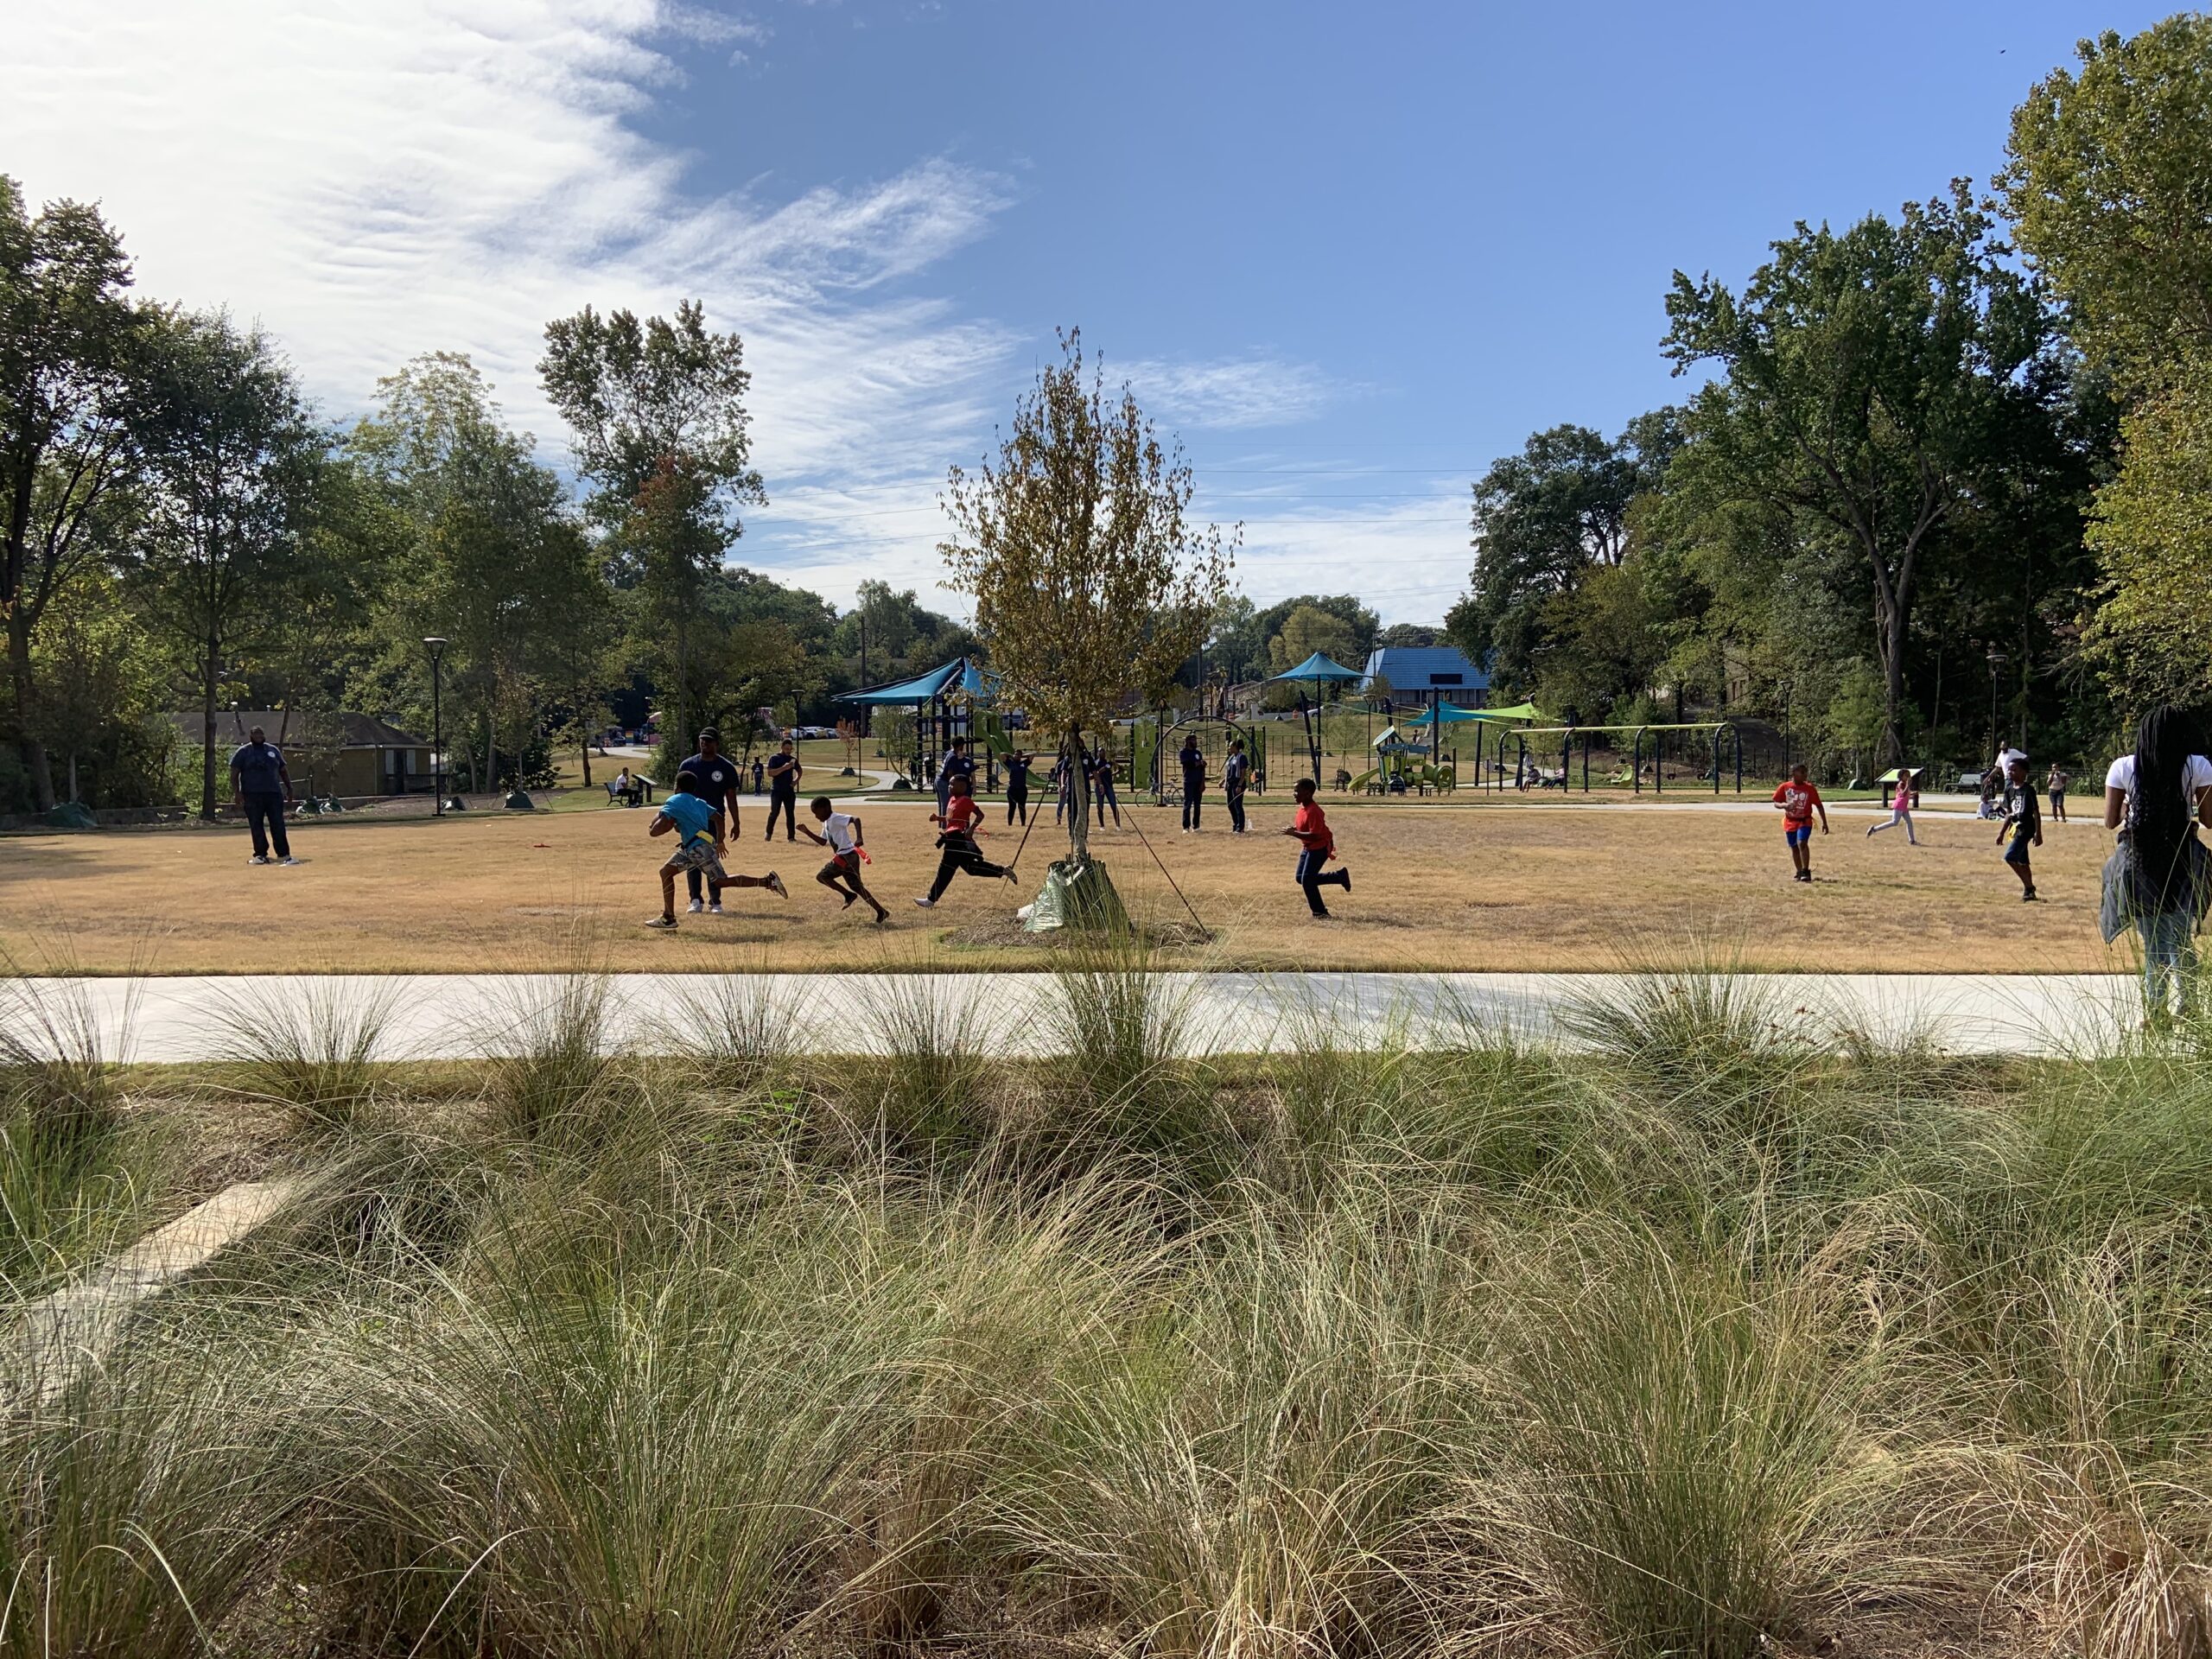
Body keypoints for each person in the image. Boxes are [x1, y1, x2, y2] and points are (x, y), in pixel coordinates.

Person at [2103, 706, 2212, 1023]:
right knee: (2180, 940)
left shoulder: (2123, 766)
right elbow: (2207, 820)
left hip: (2140, 861)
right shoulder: (2197, 766)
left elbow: (2111, 821)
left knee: (2153, 944)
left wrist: (2127, 806)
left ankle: (2156, 1009)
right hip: (2182, 858)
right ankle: (2189, 1006)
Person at [644, 769, 785, 930]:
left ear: (677, 786)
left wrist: (661, 814)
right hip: (693, 847)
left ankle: (767, 881)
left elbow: (655, 831)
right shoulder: (699, 802)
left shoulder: (674, 801)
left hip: (698, 849)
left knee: (720, 881)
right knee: (666, 872)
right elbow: (718, 818)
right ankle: (668, 917)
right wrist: (719, 841)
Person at [677, 727, 747, 913]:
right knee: (692, 860)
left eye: (708, 741)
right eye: (702, 740)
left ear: (716, 743)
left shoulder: (725, 768)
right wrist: (677, 820)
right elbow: (678, 796)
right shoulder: (688, 766)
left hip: (714, 821)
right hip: (691, 823)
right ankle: (695, 899)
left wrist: (736, 823)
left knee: (711, 859)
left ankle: (715, 901)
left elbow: (731, 797)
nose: (704, 743)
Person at [914, 774, 1014, 907]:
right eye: (949, 784)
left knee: (946, 869)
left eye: (952, 784)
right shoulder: (952, 800)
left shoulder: (966, 800)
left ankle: (931, 900)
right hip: (951, 837)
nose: (949, 787)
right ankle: (1003, 870)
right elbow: (951, 819)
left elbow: (980, 814)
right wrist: (937, 818)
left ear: (962, 786)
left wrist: (972, 828)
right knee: (970, 868)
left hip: (958, 838)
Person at [798, 794, 887, 923]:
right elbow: (823, 841)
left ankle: (848, 895)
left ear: (825, 808)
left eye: (816, 813)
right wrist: (807, 832)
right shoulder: (826, 823)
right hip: (847, 856)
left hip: (847, 856)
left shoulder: (835, 818)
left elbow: (856, 819)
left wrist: (859, 838)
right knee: (857, 887)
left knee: (822, 876)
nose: (816, 817)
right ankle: (881, 911)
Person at [228, 725, 298, 866]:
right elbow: (234, 774)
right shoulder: (243, 752)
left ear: (264, 735)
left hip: (273, 793)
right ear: (251, 736)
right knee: (256, 824)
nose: (258, 736)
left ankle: (284, 854)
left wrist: (290, 788)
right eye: (255, 734)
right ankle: (260, 855)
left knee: (278, 823)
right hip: (252, 794)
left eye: (260, 734)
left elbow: (283, 770)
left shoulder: (273, 750)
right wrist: (237, 792)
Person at [1282, 777, 1351, 918]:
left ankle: (1320, 912)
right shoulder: (1303, 807)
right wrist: (1295, 828)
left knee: (1307, 880)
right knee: (1301, 877)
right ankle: (1339, 876)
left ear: (1307, 793)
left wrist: (1293, 833)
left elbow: (1314, 835)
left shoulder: (1314, 811)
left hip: (1320, 846)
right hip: (1309, 846)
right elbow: (1305, 826)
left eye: (1297, 791)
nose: (1294, 793)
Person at [1771, 763, 1828, 883]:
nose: (1805, 775)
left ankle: (1805, 871)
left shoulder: (1809, 788)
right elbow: (1776, 802)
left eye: (1806, 772)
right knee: (1794, 847)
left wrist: (1824, 823)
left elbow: (1819, 805)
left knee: (1802, 843)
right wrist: (1784, 805)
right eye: (1802, 772)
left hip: (1805, 821)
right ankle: (1799, 871)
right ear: (1794, 774)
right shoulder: (1785, 787)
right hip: (1790, 822)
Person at [1998, 754, 2044, 902]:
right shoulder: (2009, 790)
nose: (2010, 773)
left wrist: (2038, 833)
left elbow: (2036, 813)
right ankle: (2029, 892)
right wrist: (2001, 833)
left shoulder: (2028, 790)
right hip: (2015, 829)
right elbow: (2009, 813)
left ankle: (2029, 886)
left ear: (2023, 772)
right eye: (2009, 770)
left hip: (2026, 828)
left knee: (2009, 857)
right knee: (2023, 862)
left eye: (2014, 770)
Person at [1867, 766, 1919, 846]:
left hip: (1904, 807)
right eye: (1906, 775)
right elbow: (1903, 793)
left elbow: (1906, 794)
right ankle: (1874, 829)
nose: (1908, 777)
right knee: (1894, 822)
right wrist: (1908, 785)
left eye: (1909, 775)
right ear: (1901, 777)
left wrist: (1913, 793)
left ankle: (1912, 841)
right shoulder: (1901, 784)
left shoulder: (1905, 784)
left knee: (1909, 822)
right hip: (1899, 806)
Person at [764, 739, 802, 841]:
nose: (788, 751)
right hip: (777, 790)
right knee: (774, 812)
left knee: (790, 814)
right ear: (782, 747)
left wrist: (796, 780)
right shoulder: (774, 758)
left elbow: (799, 770)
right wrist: (784, 768)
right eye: (786, 749)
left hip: (789, 790)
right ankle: (768, 834)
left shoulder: (792, 760)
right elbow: (770, 773)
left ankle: (791, 837)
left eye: (790, 749)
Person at [935, 736, 976, 819]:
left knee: (942, 804)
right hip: (944, 781)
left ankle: (942, 825)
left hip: (938, 779)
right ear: (961, 746)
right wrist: (954, 784)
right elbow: (950, 773)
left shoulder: (948, 753)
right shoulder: (953, 756)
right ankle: (947, 827)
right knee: (947, 805)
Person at [1179, 734, 1207, 831]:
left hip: (1198, 781)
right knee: (1188, 804)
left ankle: (1196, 826)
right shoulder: (1183, 752)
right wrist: (1198, 763)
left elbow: (1202, 768)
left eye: (1196, 740)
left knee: (1197, 805)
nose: (1195, 742)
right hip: (1189, 782)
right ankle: (1186, 827)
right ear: (1188, 741)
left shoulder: (1198, 753)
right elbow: (1187, 764)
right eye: (1193, 740)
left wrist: (1203, 783)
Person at [1224, 737, 1250, 835]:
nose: (1229, 748)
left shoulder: (1241, 757)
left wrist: (1239, 785)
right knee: (1230, 805)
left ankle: (1240, 827)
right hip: (1231, 784)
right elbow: (1229, 771)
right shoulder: (1231, 758)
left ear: (1235, 747)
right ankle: (1235, 825)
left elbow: (1243, 772)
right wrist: (1224, 782)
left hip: (1238, 784)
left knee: (1238, 805)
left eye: (1230, 746)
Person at [1090, 748, 1122, 829]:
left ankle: (1118, 825)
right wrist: (1096, 774)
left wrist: (1100, 772)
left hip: (1108, 786)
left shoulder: (1108, 762)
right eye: (1101, 751)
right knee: (1100, 805)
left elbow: (1106, 768)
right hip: (1099, 786)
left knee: (1114, 805)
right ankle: (1102, 826)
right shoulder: (1094, 763)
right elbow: (1091, 775)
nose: (1103, 753)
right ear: (1098, 753)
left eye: (1104, 751)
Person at [1005, 747, 1031, 826]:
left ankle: (1023, 823)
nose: (1017, 755)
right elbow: (1002, 754)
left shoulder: (1024, 763)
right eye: (1016, 754)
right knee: (1012, 807)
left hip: (1022, 788)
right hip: (1012, 788)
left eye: (1018, 754)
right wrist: (1012, 756)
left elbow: (1033, 755)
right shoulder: (1010, 763)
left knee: (1022, 806)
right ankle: (1010, 824)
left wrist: (1022, 757)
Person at [2048, 760, 2071, 824]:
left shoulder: (2063, 774)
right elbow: (2049, 784)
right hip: (2052, 791)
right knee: (2054, 805)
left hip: (2059, 791)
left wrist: (2058, 776)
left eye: (2055, 767)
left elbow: (2063, 782)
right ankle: (2055, 818)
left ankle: (2063, 818)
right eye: (2053, 767)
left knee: (2060, 805)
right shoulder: (2050, 775)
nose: (2054, 769)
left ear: (2058, 768)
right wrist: (2052, 776)